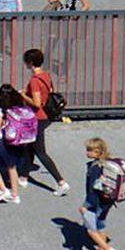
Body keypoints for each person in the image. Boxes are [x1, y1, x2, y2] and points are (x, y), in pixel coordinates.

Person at [17, 48, 71, 196]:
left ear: (30, 63)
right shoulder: (46, 75)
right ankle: (23, 176)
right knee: (29, 147)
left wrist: (22, 95)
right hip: (47, 116)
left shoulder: (34, 81)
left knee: (40, 152)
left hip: (37, 118)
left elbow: (36, 103)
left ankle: (61, 182)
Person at [80, 138, 118, 250]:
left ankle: (108, 249)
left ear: (97, 152)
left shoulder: (95, 168)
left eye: (89, 150)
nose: (86, 152)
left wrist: (86, 206)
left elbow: (92, 190)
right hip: (107, 201)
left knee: (91, 229)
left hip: (96, 202)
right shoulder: (107, 164)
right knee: (101, 225)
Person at [0, 84, 26, 204]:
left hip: (3, 142)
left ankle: (3, 190)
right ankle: (15, 195)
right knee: (11, 167)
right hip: (16, 142)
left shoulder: (1, 111)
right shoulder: (19, 108)